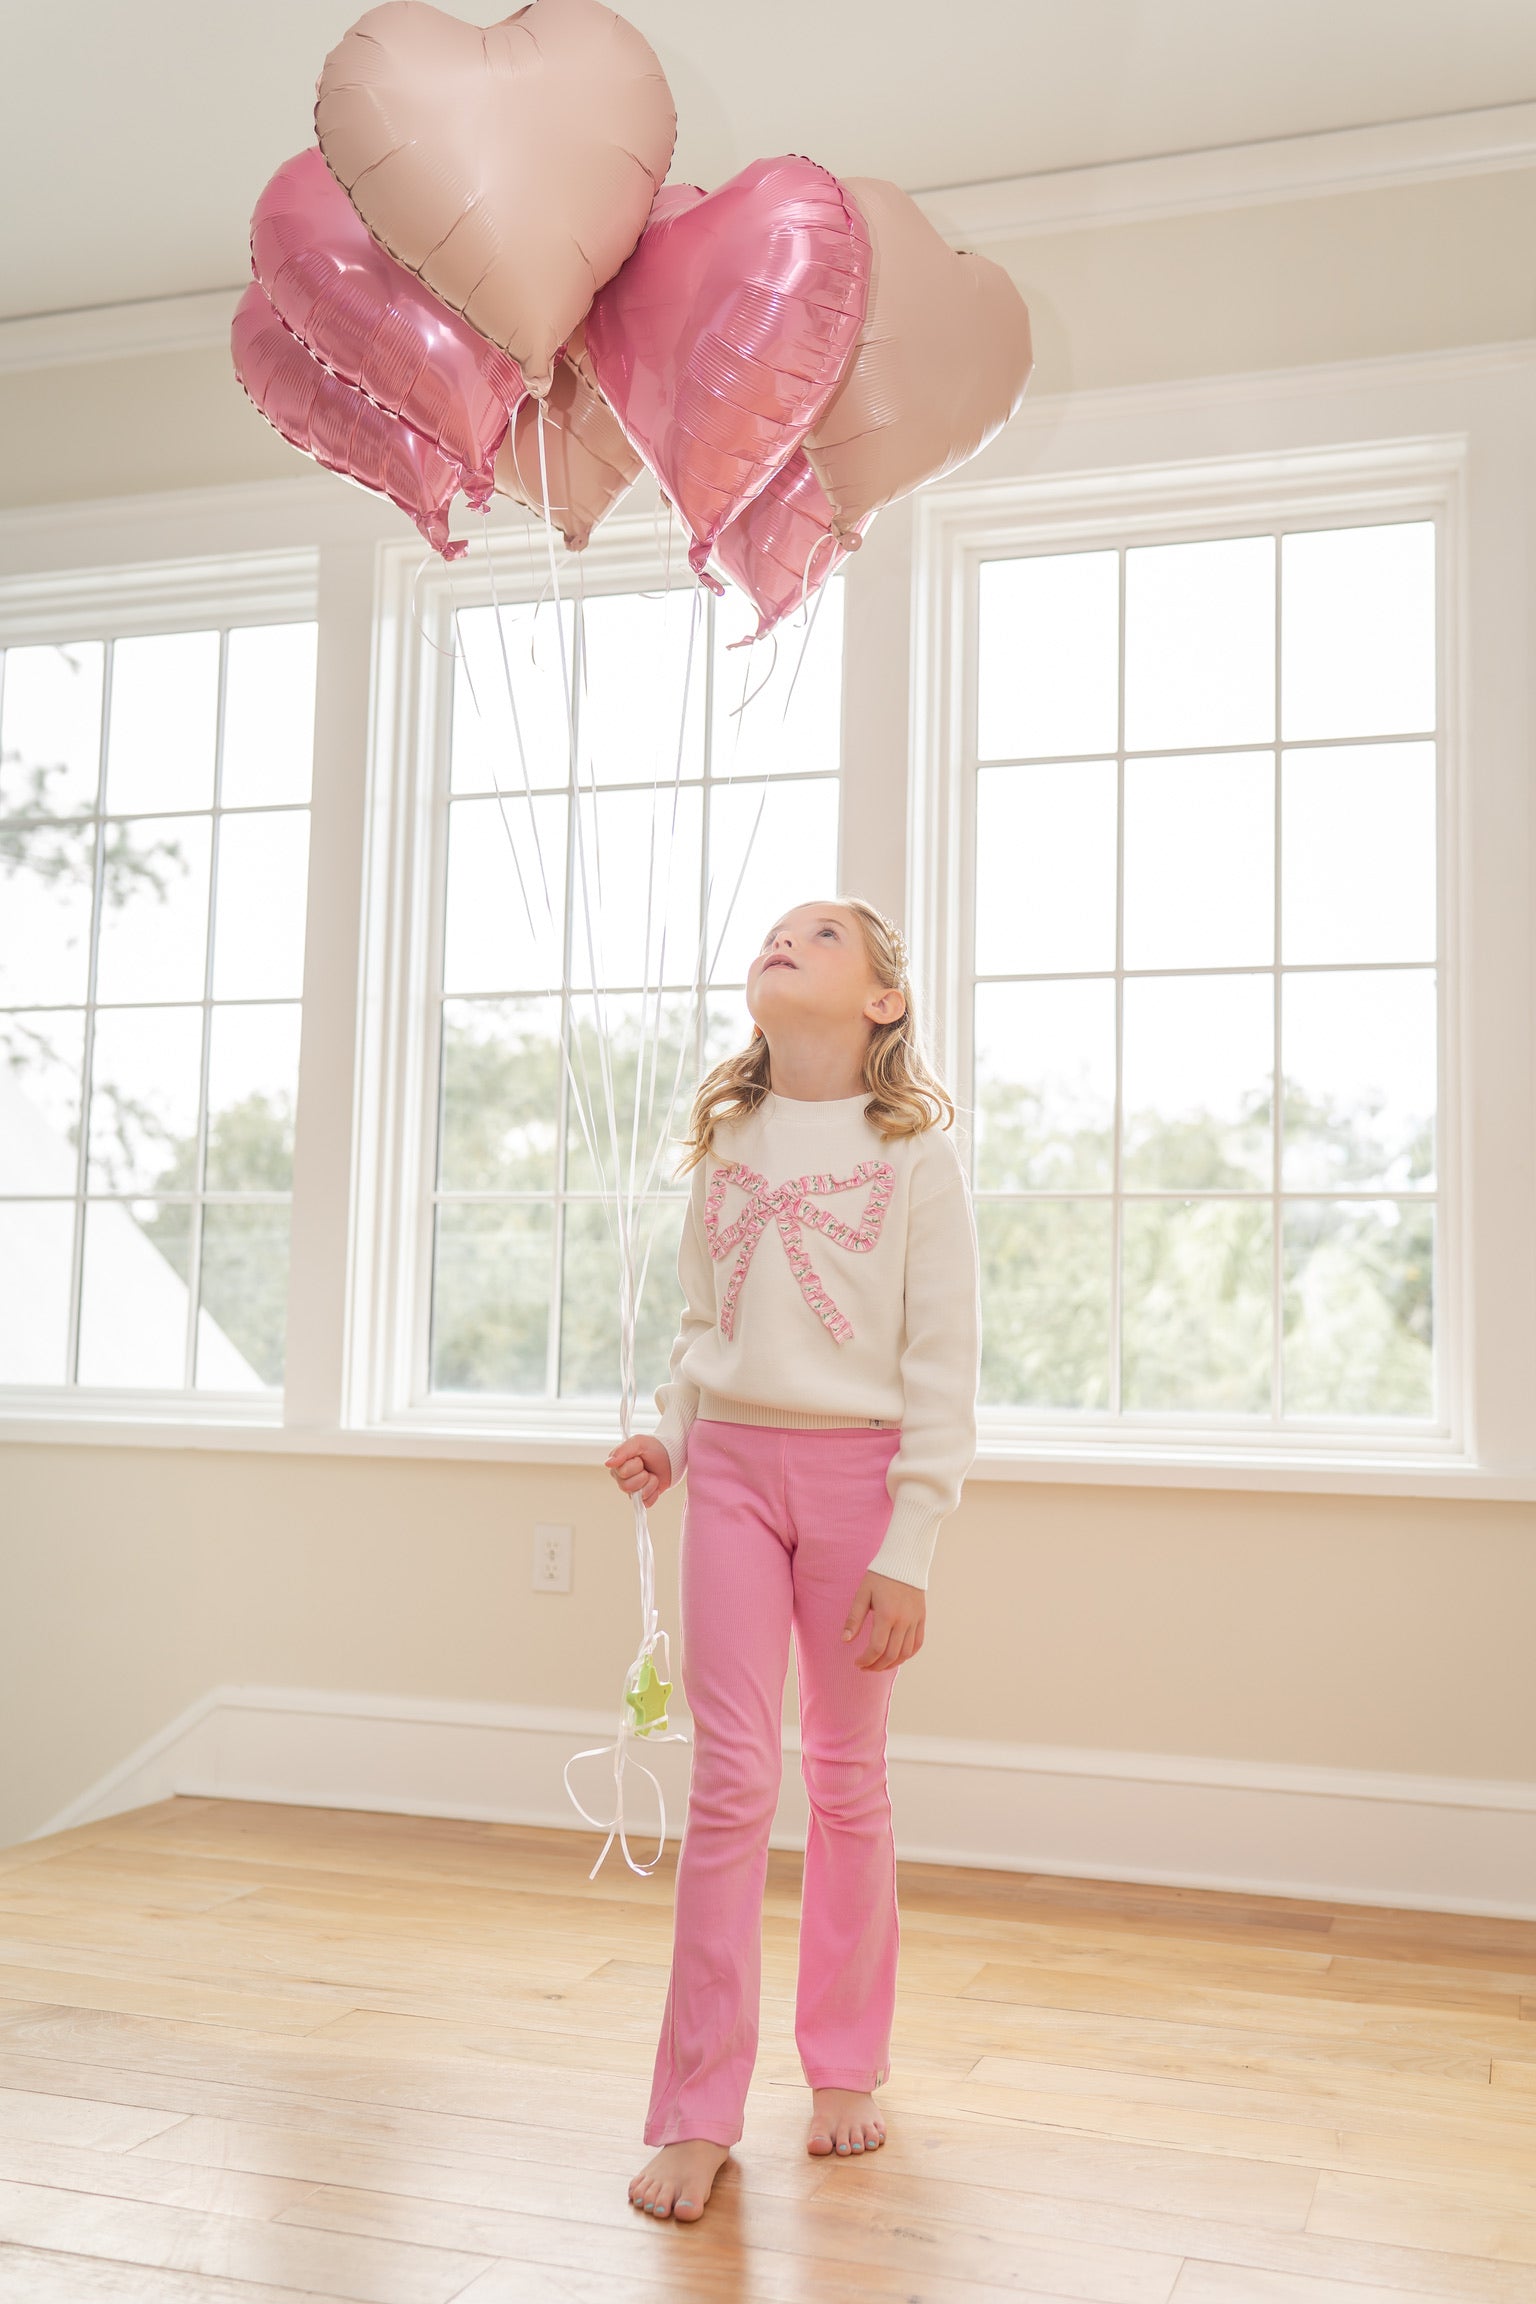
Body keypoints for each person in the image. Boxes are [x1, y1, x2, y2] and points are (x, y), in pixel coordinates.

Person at [604, 895, 981, 2224]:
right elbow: (703, 1328)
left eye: (822, 936)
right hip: (734, 1481)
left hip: (859, 1481)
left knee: (846, 1774)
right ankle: (696, 2109)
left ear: (883, 999)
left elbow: (942, 1366)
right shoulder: (728, 1142)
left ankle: (844, 2067)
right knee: (730, 1782)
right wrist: (671, 1441)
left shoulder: (916, 1155)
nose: (786, 941)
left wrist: (912, 1545)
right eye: (776, 931)